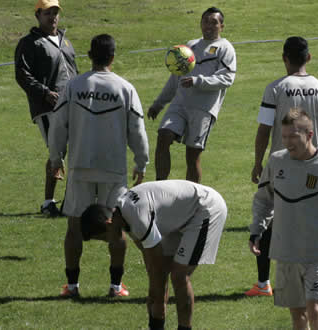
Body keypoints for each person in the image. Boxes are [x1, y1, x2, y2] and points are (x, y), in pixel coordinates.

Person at [48, 34, 149, 298]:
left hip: (80, 167)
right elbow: (137, 129)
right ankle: (116, 287)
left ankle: (72, 287)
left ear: (89, 55)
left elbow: (59, 125)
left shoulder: (73, 86)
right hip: (114, 169)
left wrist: (56, 158)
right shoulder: (125, 88)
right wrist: (142, 161)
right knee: (116, 227)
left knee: (73, 227)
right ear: (113, 56)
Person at [249, 109, 318, 329]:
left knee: (316, 311)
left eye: (293, 136)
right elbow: (263, 199)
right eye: (285, 136)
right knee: (298, 317)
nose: (288, 142)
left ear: (309, 135)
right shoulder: (277, 161)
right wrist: (256, 230)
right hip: (286, 253)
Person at [246, 36, 318, 297]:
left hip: (281, 166)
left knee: (266, 220)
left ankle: (263, 284)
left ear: (284, 57)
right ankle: (312, 280)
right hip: (313, 166)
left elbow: (264, 129)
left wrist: (258, 162)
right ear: (308, 57)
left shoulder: (276, 88)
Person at [80, 180, 227, 330]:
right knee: (157, 284)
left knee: (179, 275)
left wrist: (158, 302)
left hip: (206, 207)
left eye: (105, 238)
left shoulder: (137, 217)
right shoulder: (123, 215)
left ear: (109, 224)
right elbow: (153, 265)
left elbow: (158, 265)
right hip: (184, 215)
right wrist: (156, 298)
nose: (109, 242)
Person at [148, 7, 236, 183]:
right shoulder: (190, 46)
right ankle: (160, 187)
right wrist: (159, 103)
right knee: (163, 136)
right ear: (200, 23)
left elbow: (227, 78)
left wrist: (198, 81)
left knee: (192, 156)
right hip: (179, 105)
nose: (209, 25)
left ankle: (192, 197)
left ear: (222, 26)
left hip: (203, 110)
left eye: (214, 22)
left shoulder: (225, 48)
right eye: (205, 21)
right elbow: (175, 76)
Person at [14, 0, 78, 217]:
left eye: (56, 12)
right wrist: (44, 93)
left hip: (73, 104)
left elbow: (74, 71)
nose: (53, 17)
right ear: (38, 15)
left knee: (72, 148)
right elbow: (22, 75)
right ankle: (49, 203)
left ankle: (70, 199)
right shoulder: (29, 43)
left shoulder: (65, 40)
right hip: (47, 107)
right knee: (57, 152)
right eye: (48, 13)